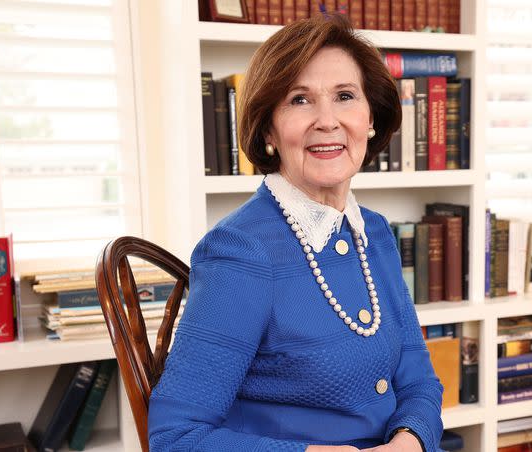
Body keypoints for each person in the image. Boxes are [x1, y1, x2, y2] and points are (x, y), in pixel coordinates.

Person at [148, 14, 444, 451]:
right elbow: (175, 438)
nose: (328, 121)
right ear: (269, 128)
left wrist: (409, 441)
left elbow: (419, 379)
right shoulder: (240, 250)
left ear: (371, 119)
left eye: (345, 96)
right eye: (300, 100)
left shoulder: (375, 234)